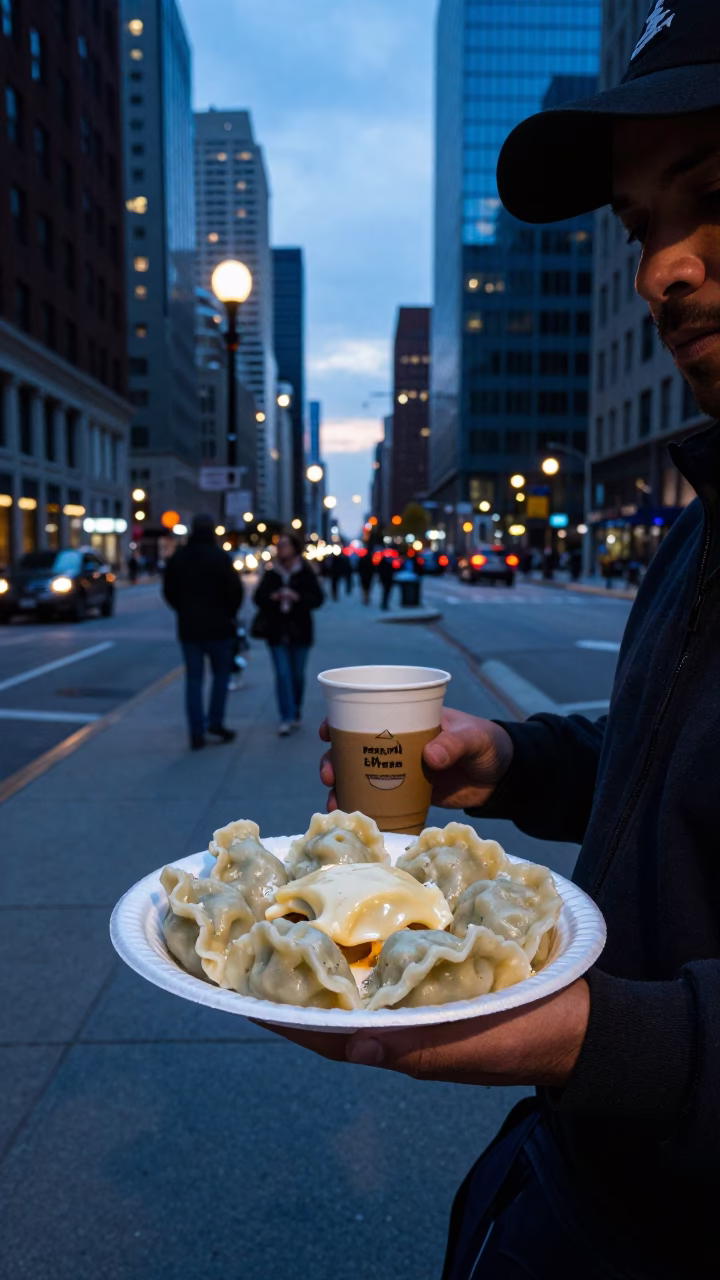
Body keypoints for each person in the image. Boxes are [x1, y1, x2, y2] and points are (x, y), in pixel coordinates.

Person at [272, 9, 720, 1276]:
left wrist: (590, 1037)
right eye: (641, 229)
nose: (660, 273)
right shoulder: (699, 523)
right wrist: (511, 759)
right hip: (581, 1185)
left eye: (714, 194)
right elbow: (675, 756)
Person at [162, 513, 242, 750]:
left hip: (189, 628)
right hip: (219, 628)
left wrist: (183, 609)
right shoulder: (220, 558)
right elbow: (235, 592)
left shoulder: (179, 558)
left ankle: (196, 732)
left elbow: (168, 591)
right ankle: (215, 723)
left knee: (194, 680)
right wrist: (228, 613)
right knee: (220, 676)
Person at [253, 531, 323, 736]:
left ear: (294, 548)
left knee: (298, 676)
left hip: (300, 631)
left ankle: (295, 710)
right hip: (276, 631)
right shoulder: (272, 572)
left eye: (284, 545)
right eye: (279, 545)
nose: (281, 549)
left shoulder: (305, 571)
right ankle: (286, 716)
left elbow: (318, 599)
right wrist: (273, 597)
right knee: (283, 675)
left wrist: (297, 597)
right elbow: (258, 598)